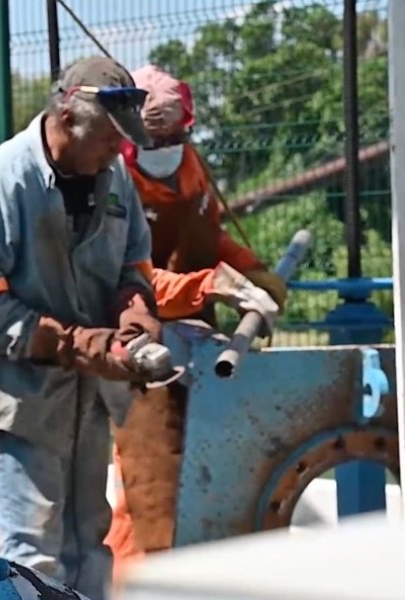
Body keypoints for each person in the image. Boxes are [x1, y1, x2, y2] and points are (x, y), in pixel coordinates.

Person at [0, 56, 278, 600]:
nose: (115, 157)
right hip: (24, 401)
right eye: (106, 142)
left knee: (90, 544)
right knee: (35, 555)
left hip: (89, 397)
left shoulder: (112, 174)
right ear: (68, 118)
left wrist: (135, 313)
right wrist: (81, 344)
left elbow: (133, 265)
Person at [103, 64, 288, 579]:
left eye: (173, 135)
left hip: (201, 346)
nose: (163, 146)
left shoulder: (191, 168)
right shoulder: (113, 185)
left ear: (189, 125)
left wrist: (250, 270)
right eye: (151, 138)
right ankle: (140, 583)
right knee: (151, 492)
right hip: (142, 349)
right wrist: (210, 285)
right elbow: (129, 281)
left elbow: (207, 236)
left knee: (225, 470)